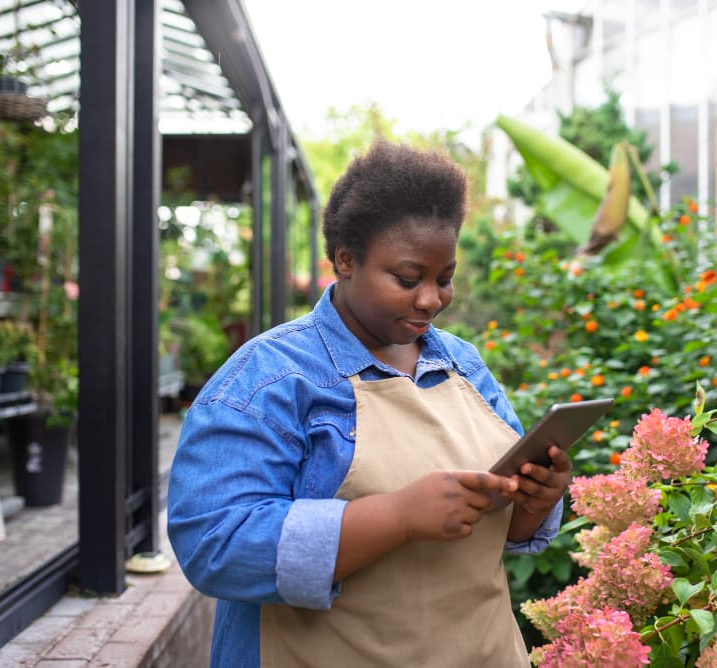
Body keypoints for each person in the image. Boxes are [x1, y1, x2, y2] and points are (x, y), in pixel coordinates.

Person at [167, 139, 571, 668]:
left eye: (443, 278)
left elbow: (505, 530)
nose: (430, 299)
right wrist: (398, 516)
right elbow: (214, 543)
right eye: (407, 279)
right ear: (345, 260)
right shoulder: (270, 380)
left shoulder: (463, 365)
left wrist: (534, 502)